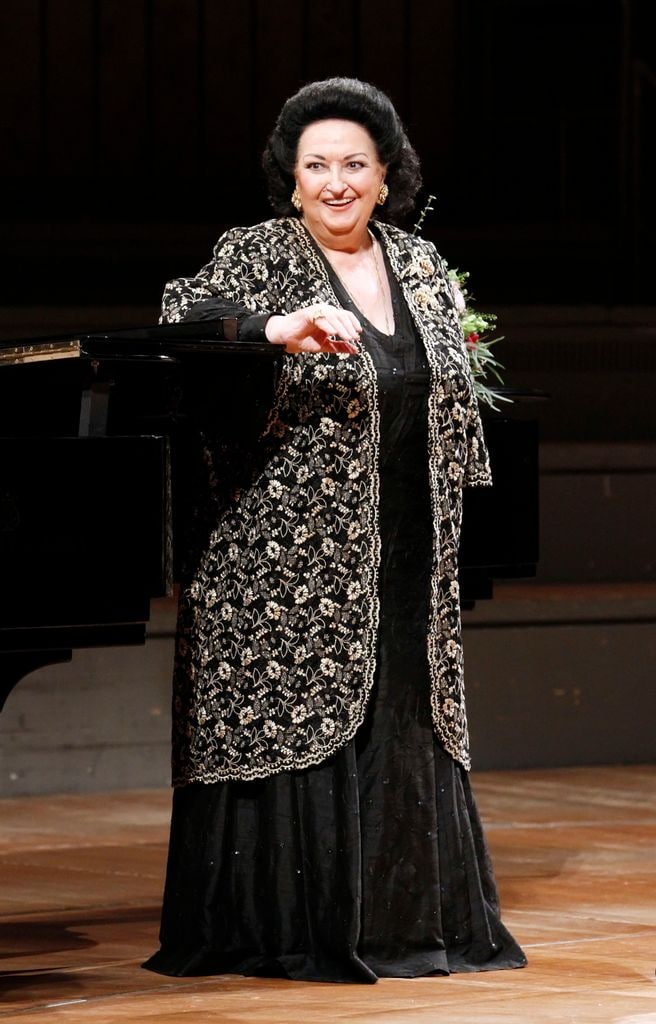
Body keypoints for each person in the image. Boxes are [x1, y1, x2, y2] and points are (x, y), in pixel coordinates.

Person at [143, 77, 526, 983]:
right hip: (283, 557)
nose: (336, 182)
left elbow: (447, 390)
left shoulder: (421, 263)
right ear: (293, 177)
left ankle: (404, 926)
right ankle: (285, 931)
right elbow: (178, 319)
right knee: (303, 717)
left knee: (403, 713)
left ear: (386, 177)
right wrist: (276, 327)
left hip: (404, 547)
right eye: (317, 166)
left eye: (355, 164)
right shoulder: (258, 253)